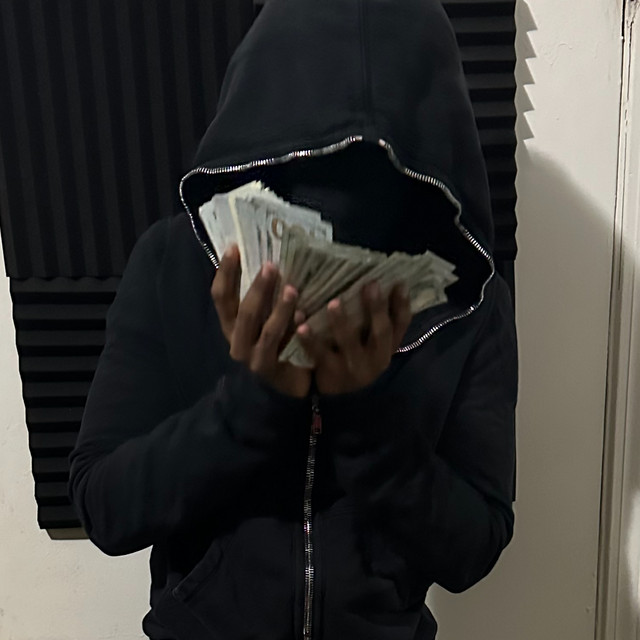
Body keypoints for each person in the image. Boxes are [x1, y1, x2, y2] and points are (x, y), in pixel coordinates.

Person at [68, 0, 518, 638]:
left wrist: (367, 420)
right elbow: (104, 506)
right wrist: (253, 404)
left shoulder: (468, 300)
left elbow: (474, 546)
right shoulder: (175, 261)